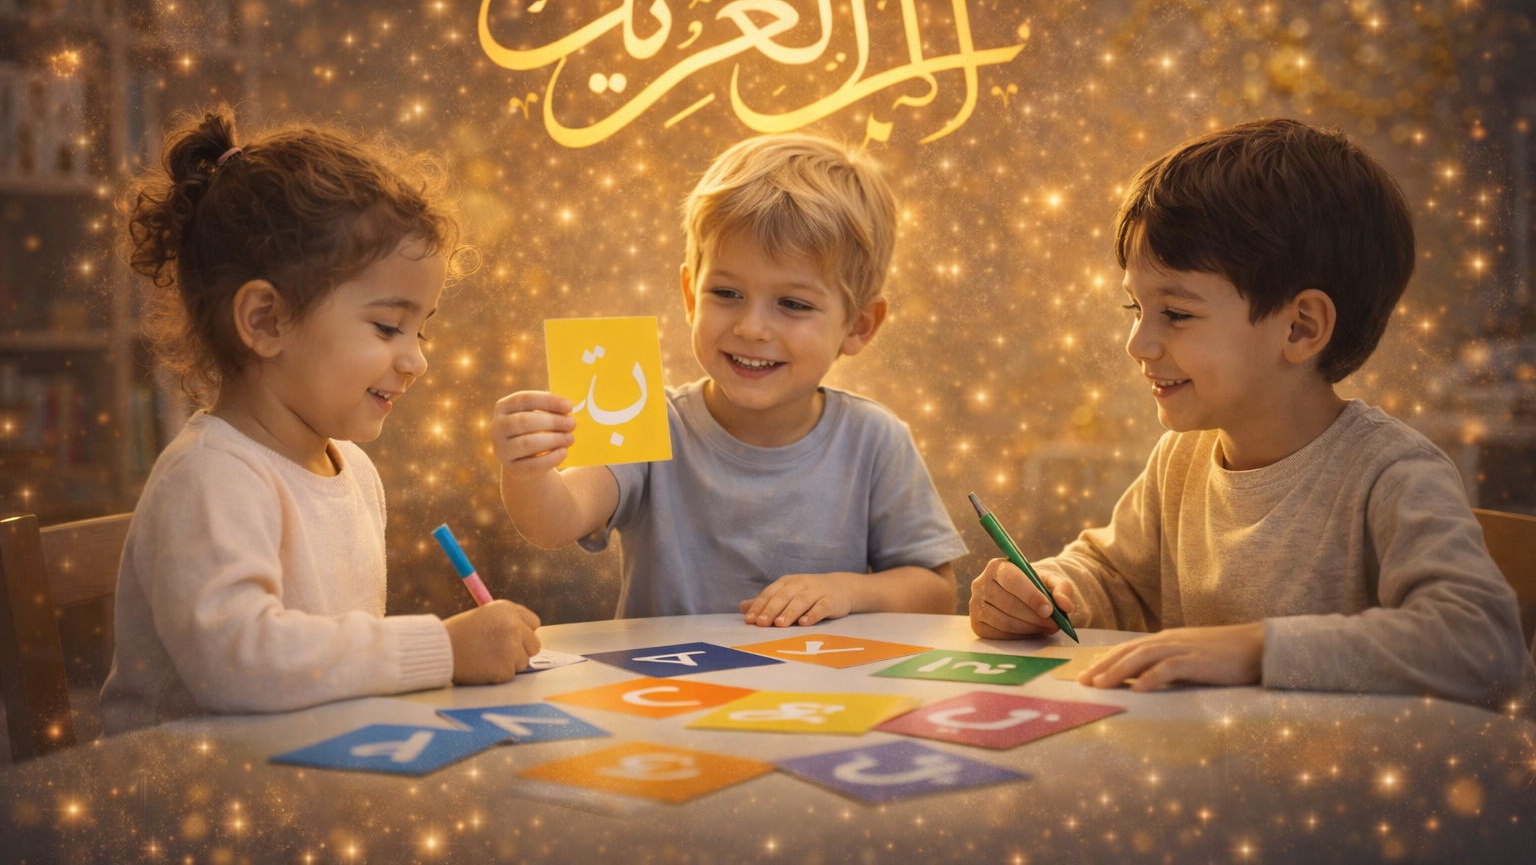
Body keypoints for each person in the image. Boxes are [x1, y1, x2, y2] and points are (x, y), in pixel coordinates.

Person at [969, 118, 1535, 710]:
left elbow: (1484, 646)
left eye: (1177, 314)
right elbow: (1114, 578)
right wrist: (1047, 592)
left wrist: (1256, 649)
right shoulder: (1181, 462)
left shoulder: (1392, 475)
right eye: (1134, 308)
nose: (1138, 344)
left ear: (1300, 327)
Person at [100, 108, 540, 734]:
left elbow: (325, 668)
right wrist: (441, 649)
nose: (417, 360)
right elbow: (241, 663)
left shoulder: (354, 471)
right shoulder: (209, 480)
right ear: (266, 321)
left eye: (423, 328)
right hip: (184, 806)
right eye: (389, 326)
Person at [494, 134, 966, 625]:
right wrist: (527, 471)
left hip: (819, 697)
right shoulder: (646, 420)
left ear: (859, 325)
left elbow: (935, 592)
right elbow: (556, 520)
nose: (751, 328)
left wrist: (846, 591)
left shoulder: (875, 440)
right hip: (666, 697)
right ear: (691, 296)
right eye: (725, 292)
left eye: (793, 304)